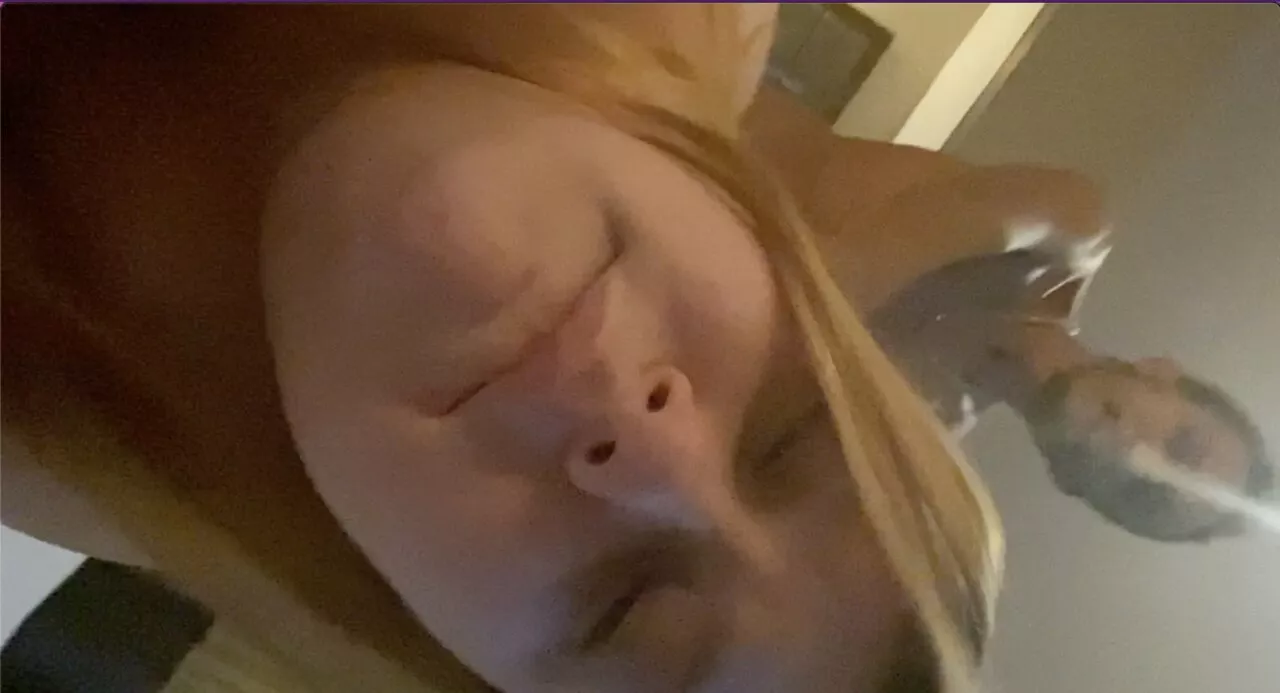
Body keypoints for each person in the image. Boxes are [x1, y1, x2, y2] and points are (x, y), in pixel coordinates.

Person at [4, 6, 1000, 693]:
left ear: (404, 615)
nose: (652, 453)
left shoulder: (64, 432)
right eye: (786, 433)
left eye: (624, 611)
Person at [745, 86, 1275, 543]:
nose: (1138, 457)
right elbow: (842, 273)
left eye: (1144, 495)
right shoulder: (1065, 236)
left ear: (1080, 491)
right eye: (1182, 447)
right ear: (1162, 372)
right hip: (708, 104)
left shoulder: (905, 436)